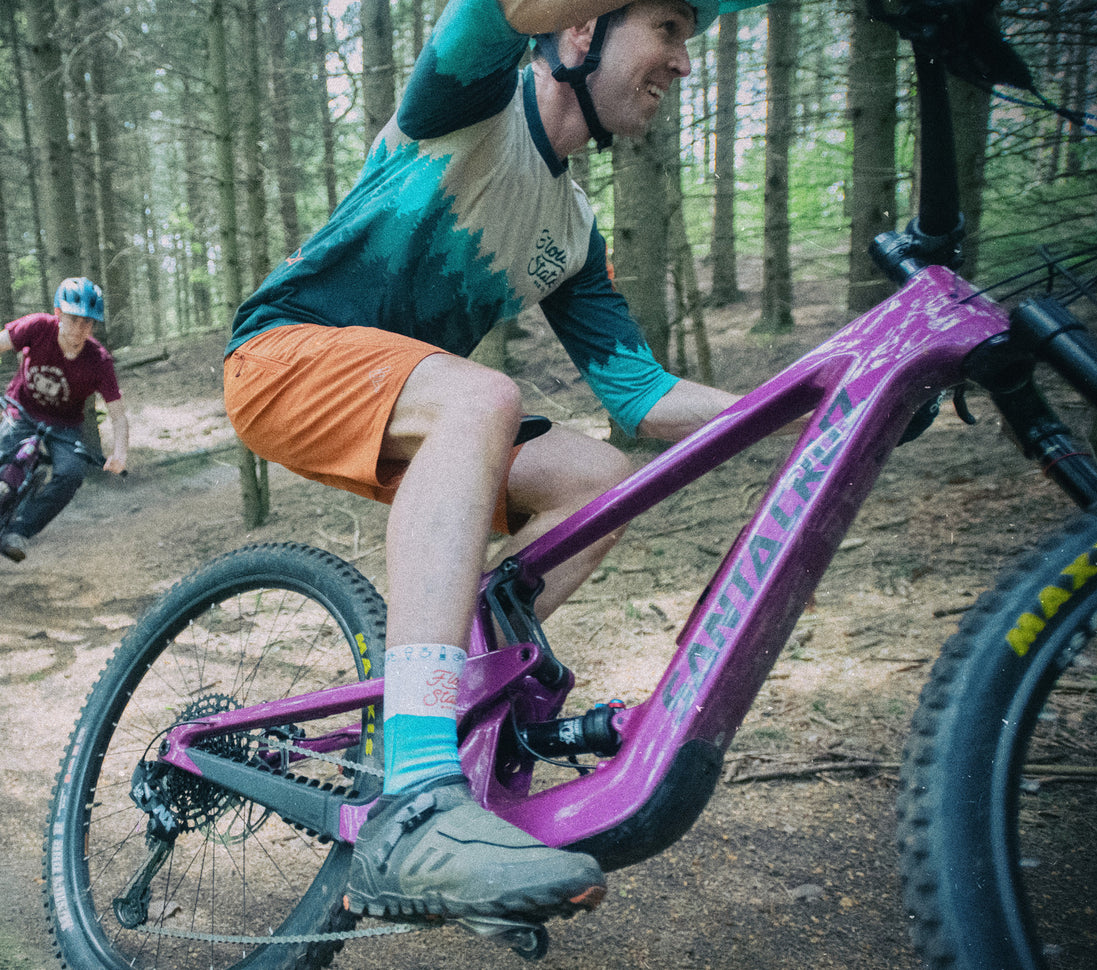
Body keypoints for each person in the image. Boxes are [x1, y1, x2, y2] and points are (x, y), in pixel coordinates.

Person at [225, 0, 759, 930]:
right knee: (483, 394)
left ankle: (446, 726)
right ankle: (419, 791)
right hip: (283, 361)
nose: (683, 62)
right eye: (670, 28)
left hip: (411, 413)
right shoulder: (472, 93)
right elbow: (502, 6)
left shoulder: (574, 228)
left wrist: (810, 398)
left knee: (601, 481)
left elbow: (639, 399)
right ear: (585, 30)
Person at [0, 277, 129, 561]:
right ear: (58, 313)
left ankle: (20, 529)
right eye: (73, 319)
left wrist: (120, 452)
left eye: (88, 323)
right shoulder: (38, 327)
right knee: (1, 466)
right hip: (22, 409)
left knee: (71, 473)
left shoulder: (98, 360)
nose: (80, 329)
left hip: (64, 426)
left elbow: (118, 414)